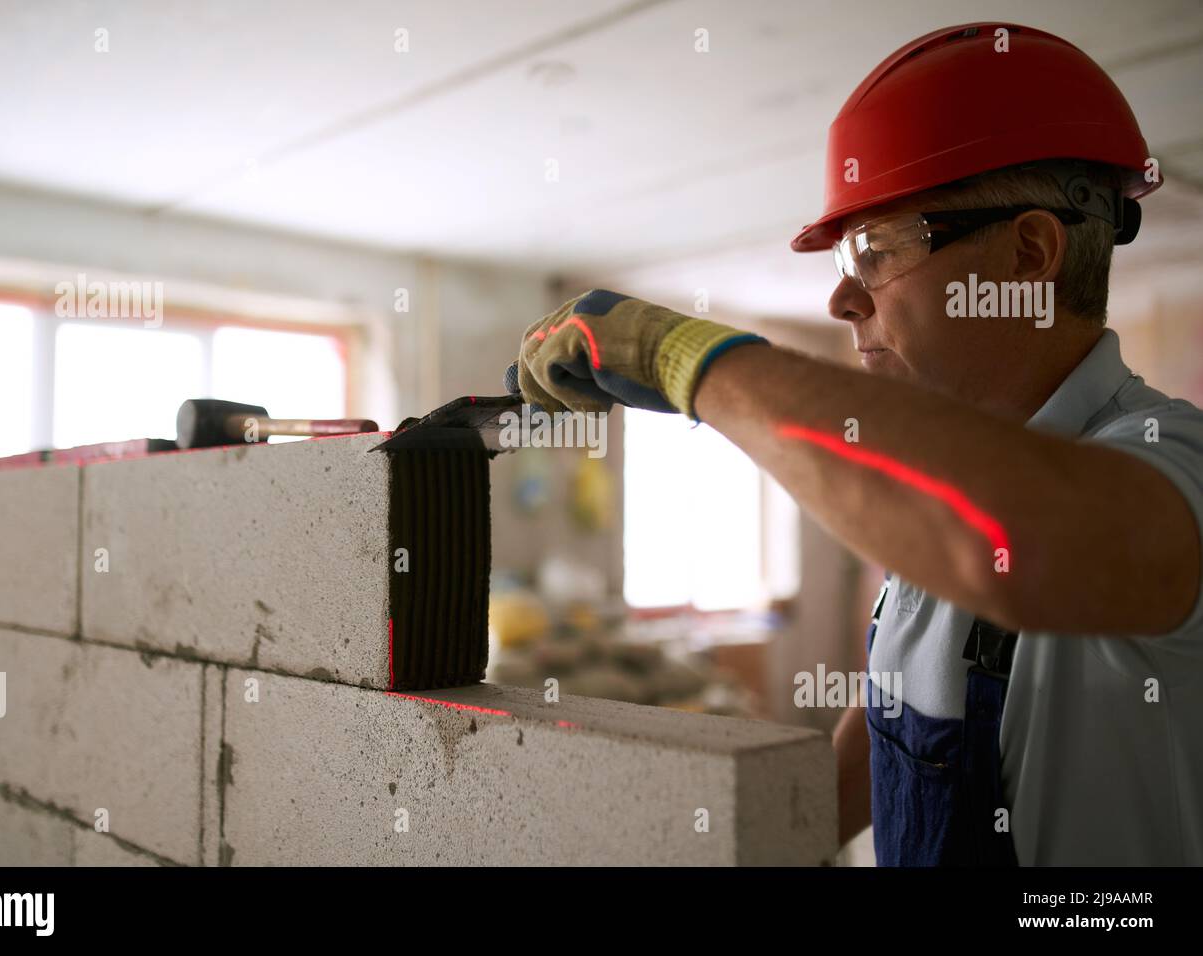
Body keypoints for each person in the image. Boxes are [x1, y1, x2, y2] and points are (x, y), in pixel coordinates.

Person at [510, 22, 1203, 866]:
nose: (843, 298)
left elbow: (1018, 540)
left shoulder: (1172, 461)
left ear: (1028, 256)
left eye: (877, 251)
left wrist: (686, 360)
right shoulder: (933, 490)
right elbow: (890, 737)